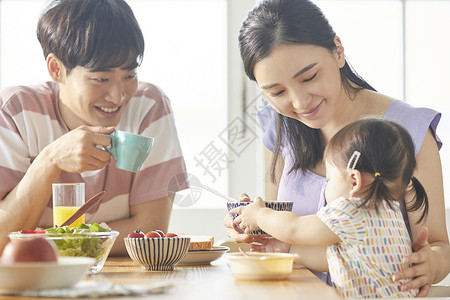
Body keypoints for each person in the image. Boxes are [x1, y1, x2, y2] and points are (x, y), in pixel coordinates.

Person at [224, 0, 450, 296]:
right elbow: (280, 225)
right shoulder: (279, 125)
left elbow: (440, 246)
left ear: (338, 51)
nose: (300, 102)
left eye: (309, 77)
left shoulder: (407, 129)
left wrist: (431, 263)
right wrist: (251, 221)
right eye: (277, 92)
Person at [0, 0, 187, 255]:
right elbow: (2, 238)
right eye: (101, 79)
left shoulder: (148, 107)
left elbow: (149, 230)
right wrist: (50, 160)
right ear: (57, 69)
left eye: (130, 75)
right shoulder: (15, 112)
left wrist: (50, 240)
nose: (118, 96)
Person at [231, 118, 428, 298]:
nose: (326, 186)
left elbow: (294, 228)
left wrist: (259, 214)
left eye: (330, 179)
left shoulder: (352, 210)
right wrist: (288, 249)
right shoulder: (390, 212)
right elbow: (339, 260)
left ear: (354, 181)